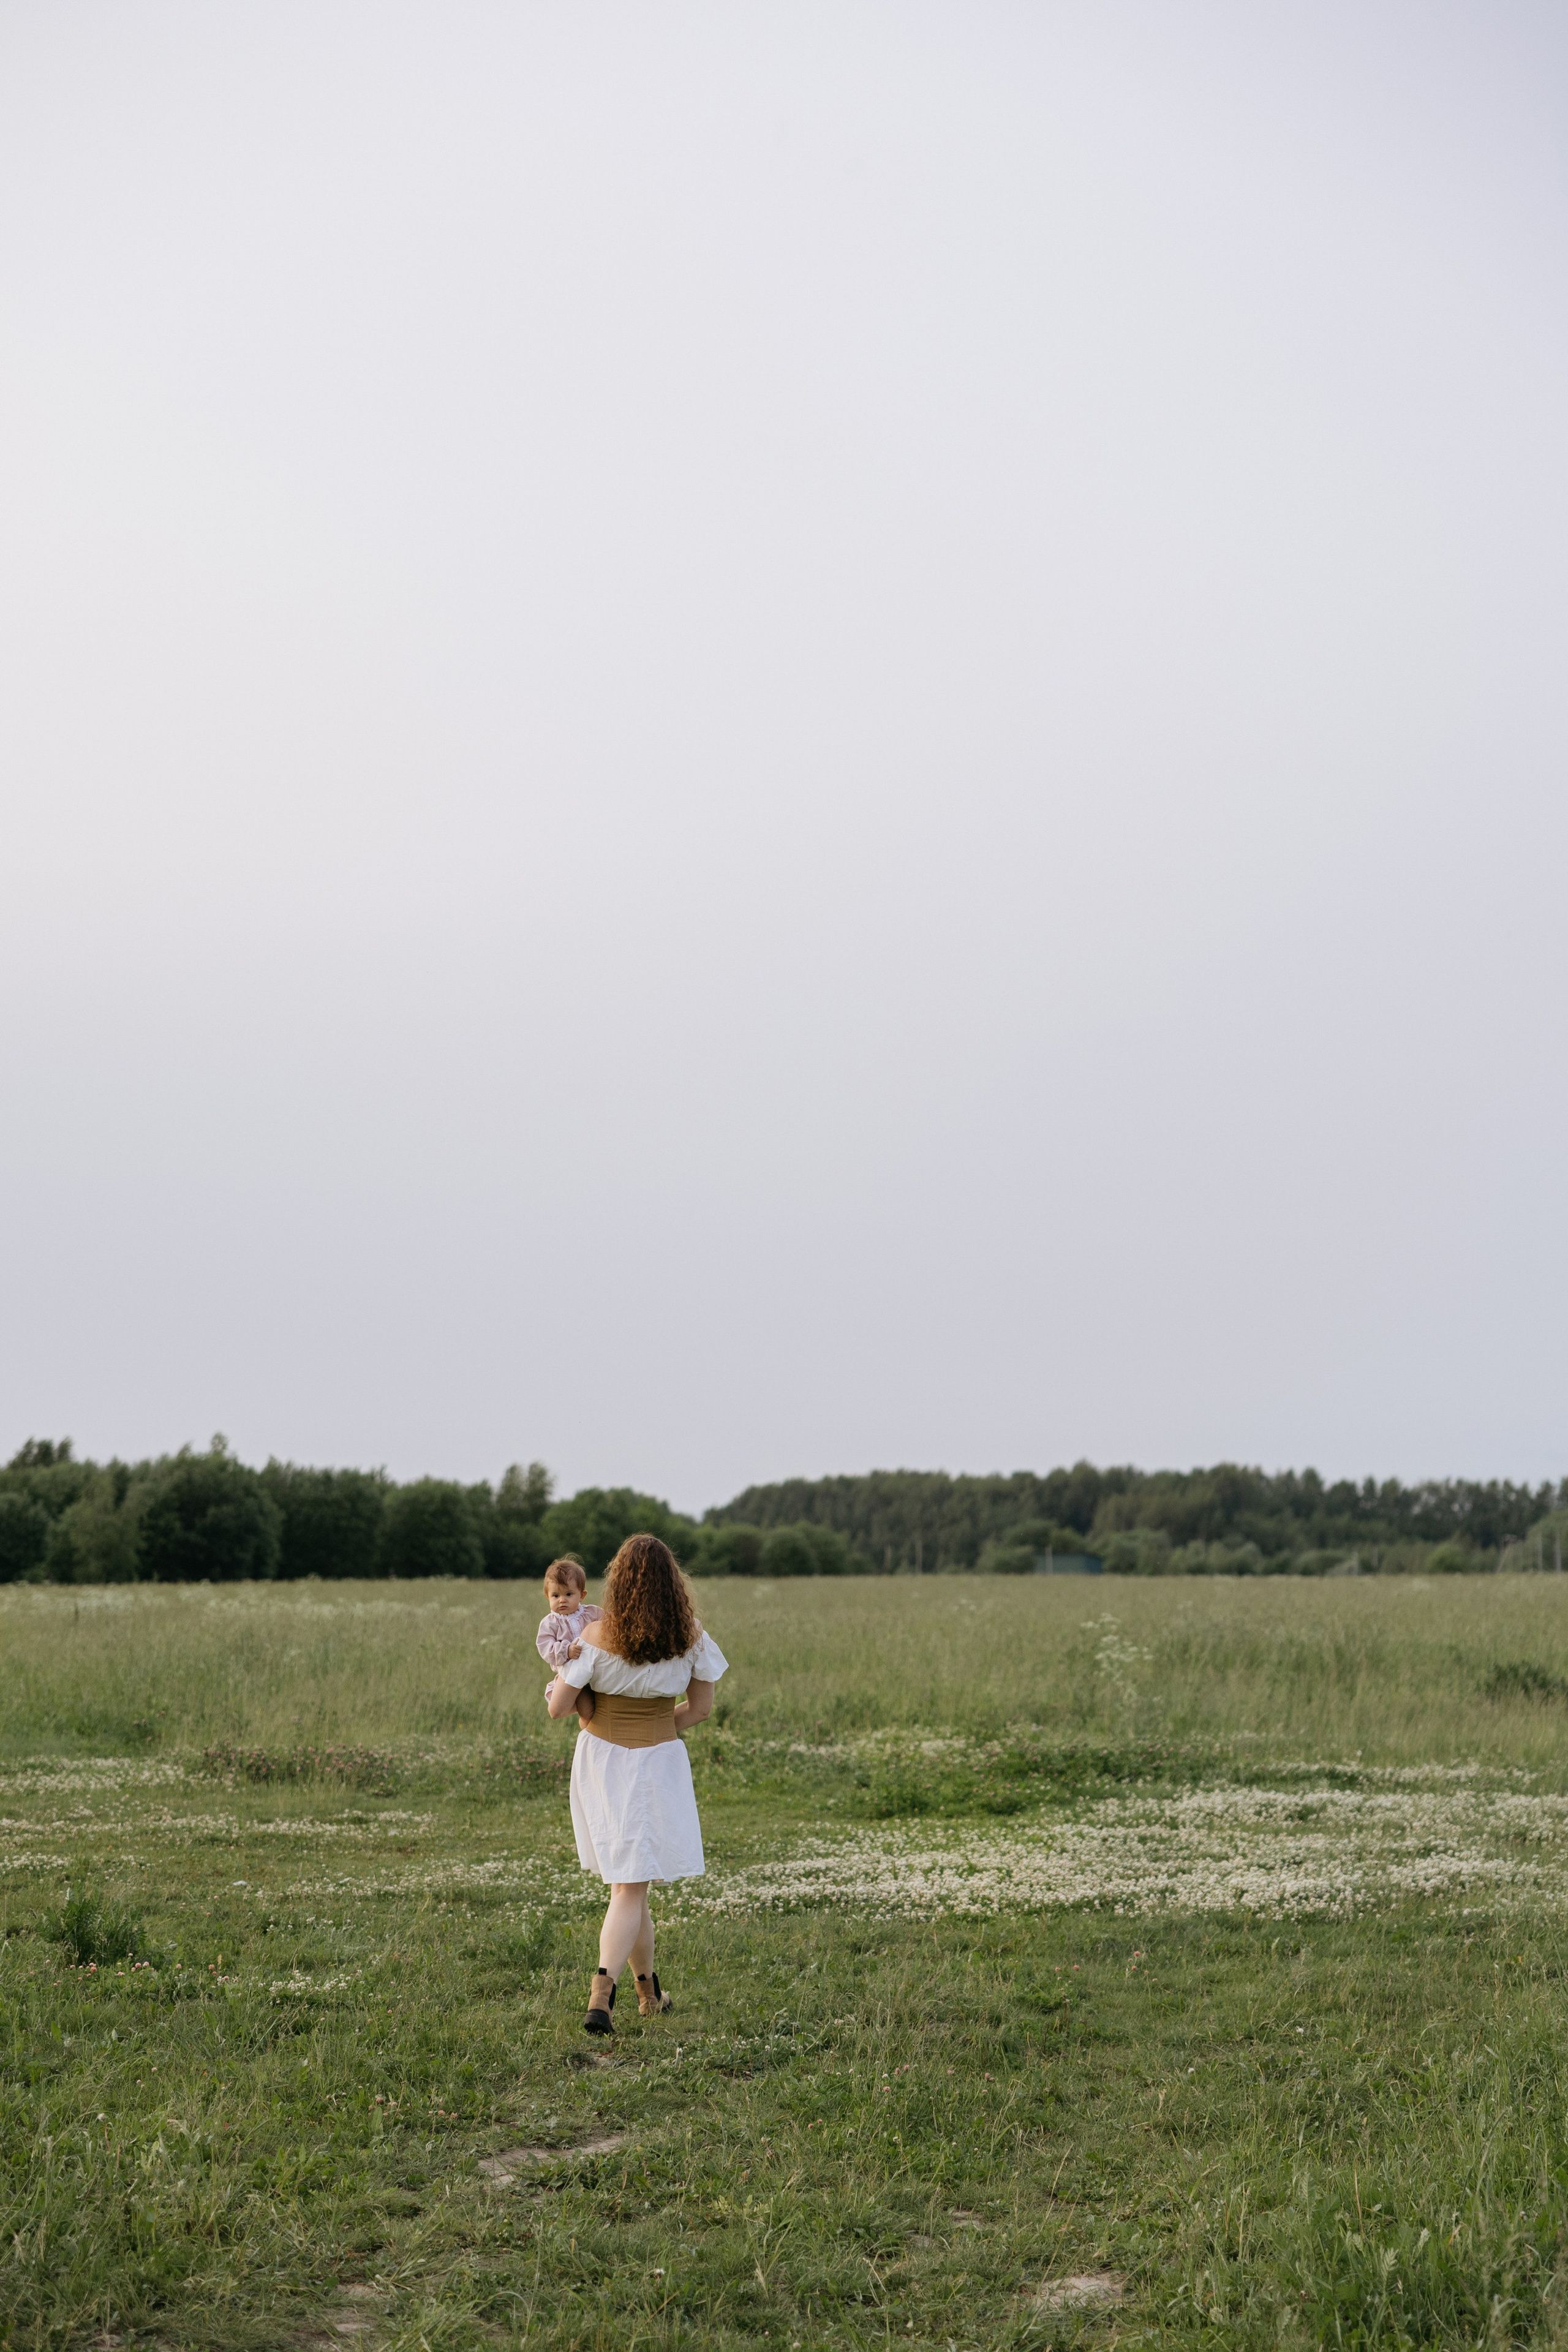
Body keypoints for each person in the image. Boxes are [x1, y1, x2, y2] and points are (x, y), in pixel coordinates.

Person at [545, 1532, 727, 2033]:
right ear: (674, 1584)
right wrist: (660, 1725)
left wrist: (583, 1707)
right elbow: (703, 1709)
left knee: (631, 1880)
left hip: (603, 1758)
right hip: (658, 1759)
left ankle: (650, 1996)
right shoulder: (690, 1633)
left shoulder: (597, 1637)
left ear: (618, 1582)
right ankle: (601, 1995)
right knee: (631, 1883)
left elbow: (560, 1708)